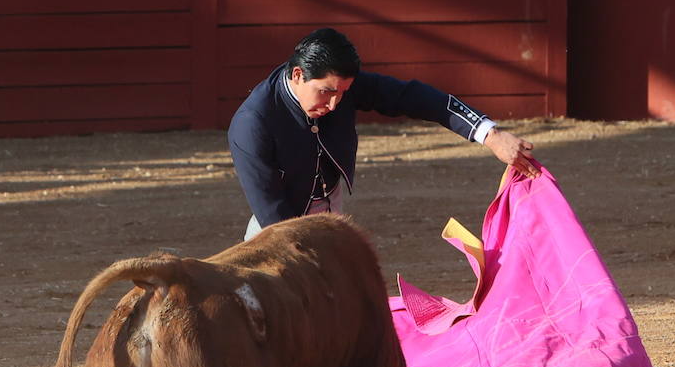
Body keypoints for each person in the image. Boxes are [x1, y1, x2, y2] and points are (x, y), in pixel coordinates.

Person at [227, 27, 540, 240]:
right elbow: (273, 215)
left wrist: (490, 134)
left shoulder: (339, 88)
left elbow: (413, 97)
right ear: (298, 75)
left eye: (343, 92)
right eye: (326, 92)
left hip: (329, 214)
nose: (335, 104)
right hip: (277, 231)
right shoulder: (252, 124)